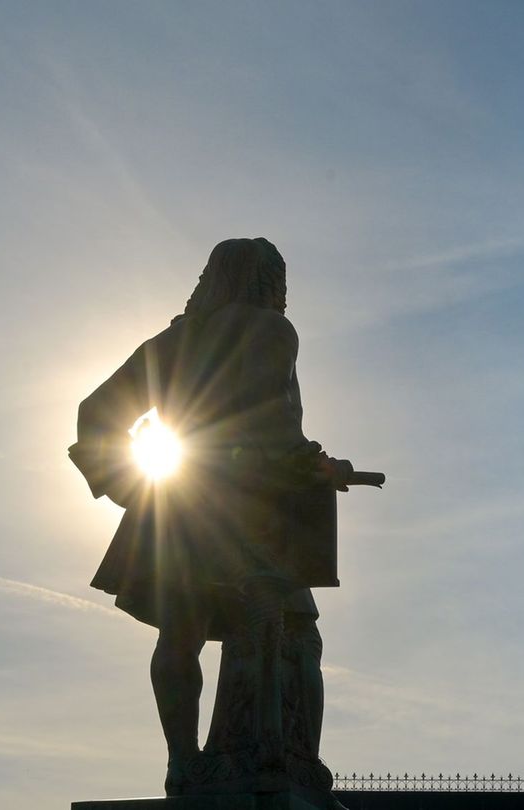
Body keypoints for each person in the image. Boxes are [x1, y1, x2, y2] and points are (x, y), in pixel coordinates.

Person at [69, 238, 359, 795]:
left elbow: (94, 412)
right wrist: (317, 464)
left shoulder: (177, 339)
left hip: (177, 502)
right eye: (279, 278)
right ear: (266, 280)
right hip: (249, 507)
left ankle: (184, 763)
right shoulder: (271, 329)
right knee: (292, 627)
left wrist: (128, 486)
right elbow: (267, 420)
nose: (283, 291)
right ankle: (278, 756)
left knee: (182, 634)